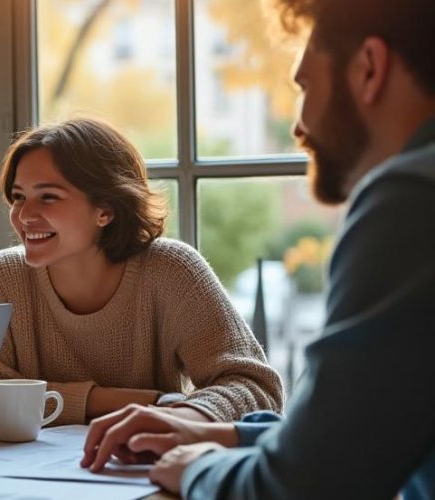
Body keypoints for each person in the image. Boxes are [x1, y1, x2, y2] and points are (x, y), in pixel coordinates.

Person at [80, 0, 435, 497]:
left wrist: (199, 467)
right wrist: (220, 435)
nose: (299, 126)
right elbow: (360, 432)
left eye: (305, 87)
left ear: (369, 69)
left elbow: (308, 486)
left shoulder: (410, 200)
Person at [0, 117, 284, 426]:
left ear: (106, 209)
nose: (24, 215)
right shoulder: (0, 278)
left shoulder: (172, 271)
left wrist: (182, 418)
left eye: (48, 197)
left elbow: (257, 390)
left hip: (144, 470)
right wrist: (126, 402)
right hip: (17, 477)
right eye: (19, 197)